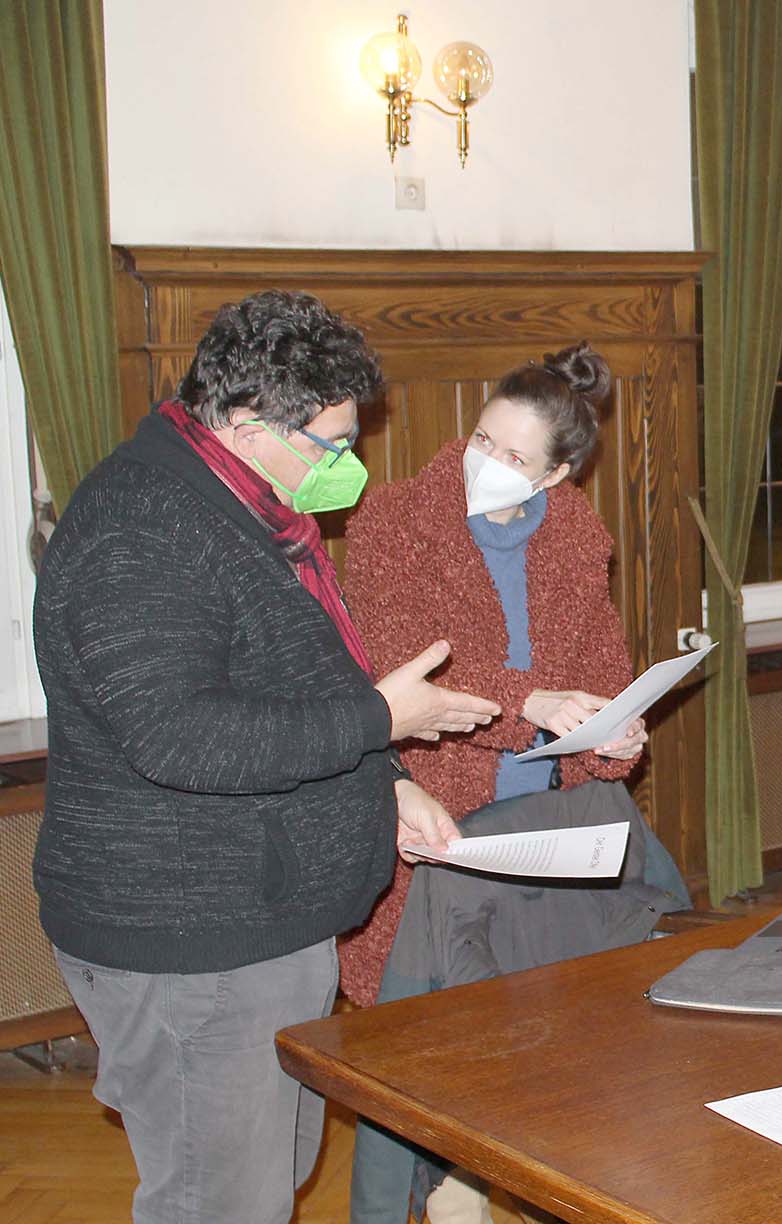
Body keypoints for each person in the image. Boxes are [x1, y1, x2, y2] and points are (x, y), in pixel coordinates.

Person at [32, 290, 499, 1224]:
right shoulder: (143, 527)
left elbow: (289, 681)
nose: (348, 464)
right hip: (190, 943)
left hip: (255, 923)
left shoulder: (239, 504)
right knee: (217, 1204)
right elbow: (181, 737)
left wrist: (385, 782)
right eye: (331, 444)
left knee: (262, 1184)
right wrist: (380, 721)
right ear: (249, 430)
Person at [336, 342, 646, 1223]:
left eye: (514, 456)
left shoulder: (576, 537)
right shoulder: (396, 520)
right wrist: (531, 701)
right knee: (430, 1058)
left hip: (536, 841)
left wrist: (614, 732)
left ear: (554, 476)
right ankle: (451, 1194)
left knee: (530, 1061)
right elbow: (406, 671)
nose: (487, 462)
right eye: (483, 440)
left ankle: (473, 1189)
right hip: (430, 825)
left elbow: (599, 672)